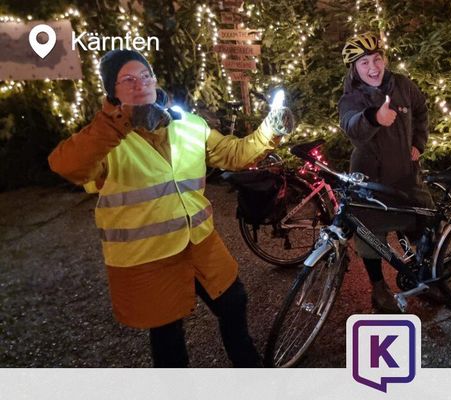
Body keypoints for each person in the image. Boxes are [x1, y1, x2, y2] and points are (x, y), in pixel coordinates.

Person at [48, 49, 293, 367]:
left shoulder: (187, 124)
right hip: (150, 257)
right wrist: (120, 122)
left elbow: (233, 154)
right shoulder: (105, 141)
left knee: (234, 302)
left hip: (200, 243)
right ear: (112, 91)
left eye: (145, 75)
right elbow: (67, 165)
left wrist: (270, 130)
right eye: (128, 79)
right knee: (167, 333)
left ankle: (250, 371)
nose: (140, 83)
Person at [338, 32, 434, 313]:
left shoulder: (403, 85)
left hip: (406, 173)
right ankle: (379, 288)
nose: (373, 67)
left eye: (376, 59)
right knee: (368, 232)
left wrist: (418, 143)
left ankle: (428, 275)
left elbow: (421, 110)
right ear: (355, 69)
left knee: (426, 219)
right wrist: (374, 117)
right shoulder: (351, 96)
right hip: (369, 179)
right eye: (364, 62)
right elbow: (351, 125)